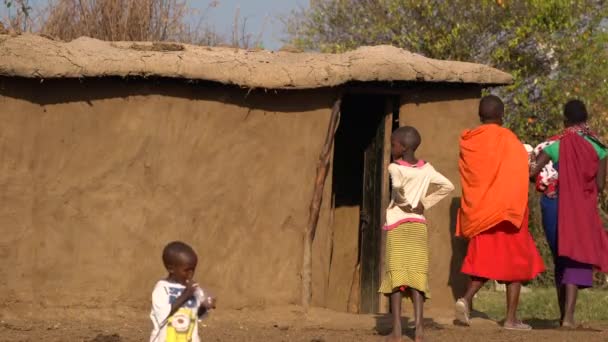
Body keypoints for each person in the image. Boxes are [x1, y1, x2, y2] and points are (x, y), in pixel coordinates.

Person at [454, 95, 545, 330]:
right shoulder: (509, 139)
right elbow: (523, 172)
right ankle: (511, 319)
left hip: (482, 212)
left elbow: (472, 175)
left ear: (480, 115)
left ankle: (465, 299)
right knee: (515, 265)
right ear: (502, 115)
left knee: (484, 260)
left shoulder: (470, 141)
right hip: (508, 212)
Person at [531, 100, 608, 328]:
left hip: (555, 206)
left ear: (565, 120)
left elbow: (533, 171)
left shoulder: (557, 145)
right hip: (582, 208)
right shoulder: (599, 147)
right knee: (576, 256)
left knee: (562, 257)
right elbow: (601, 185)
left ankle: (563, 313)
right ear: (586, 120)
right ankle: (568, 317)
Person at [379, 126, 455, 342]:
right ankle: (419, 331)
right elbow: (447, 186)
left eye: (393, 144)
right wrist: (424, 204)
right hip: (418, 227)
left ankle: (396, 332)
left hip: (398, 226)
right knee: (417, 277)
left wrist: (405, 206)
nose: (391, 148)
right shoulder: (427, 168)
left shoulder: (395, 168)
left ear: (402, 148)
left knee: (397, 277)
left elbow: (397, 191)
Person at [150, 241, 216, 342]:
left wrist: (205, 306)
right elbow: (162, 315)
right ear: (171, 269)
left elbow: (195, 315)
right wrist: (186, 294)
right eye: (186, 270)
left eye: (193, 270)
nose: (191, 274)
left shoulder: (194, 289)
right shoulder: (162, 288)